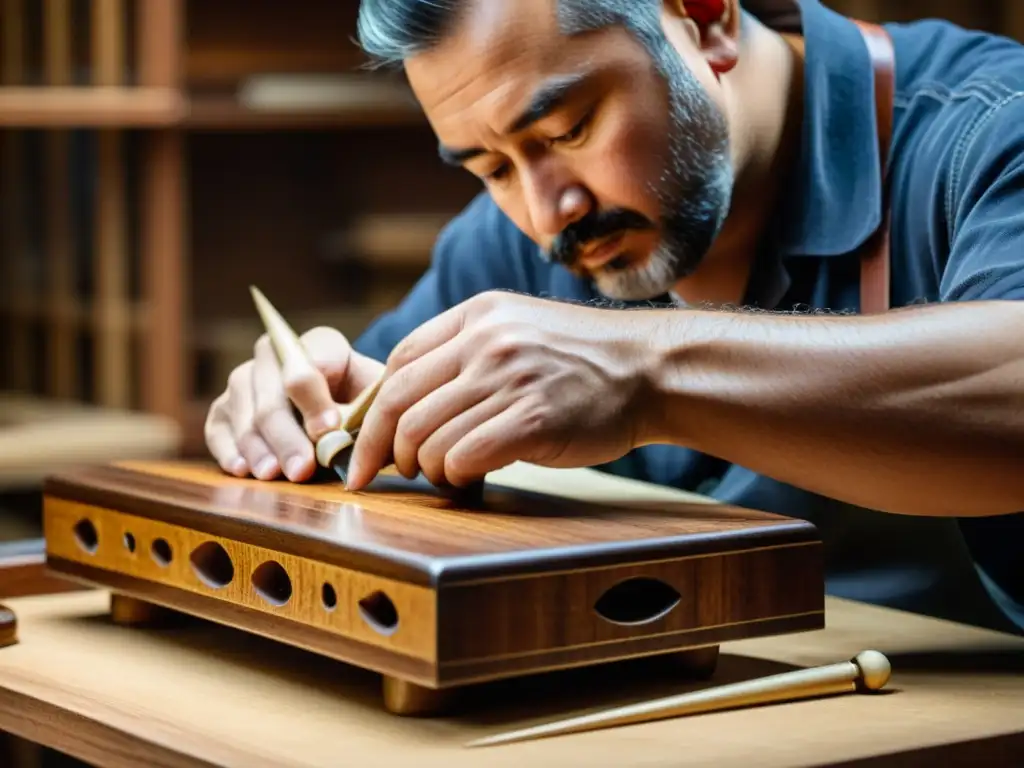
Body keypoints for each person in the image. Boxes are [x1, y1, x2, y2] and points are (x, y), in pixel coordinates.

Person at [204, 0, 1024, 634]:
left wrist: (646, 373)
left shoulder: (989, 134)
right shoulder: (518, 239)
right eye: (489, 167)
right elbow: (365, 414)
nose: (546, 211)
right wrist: (300, 406)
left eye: (569, 129)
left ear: (705, 19)